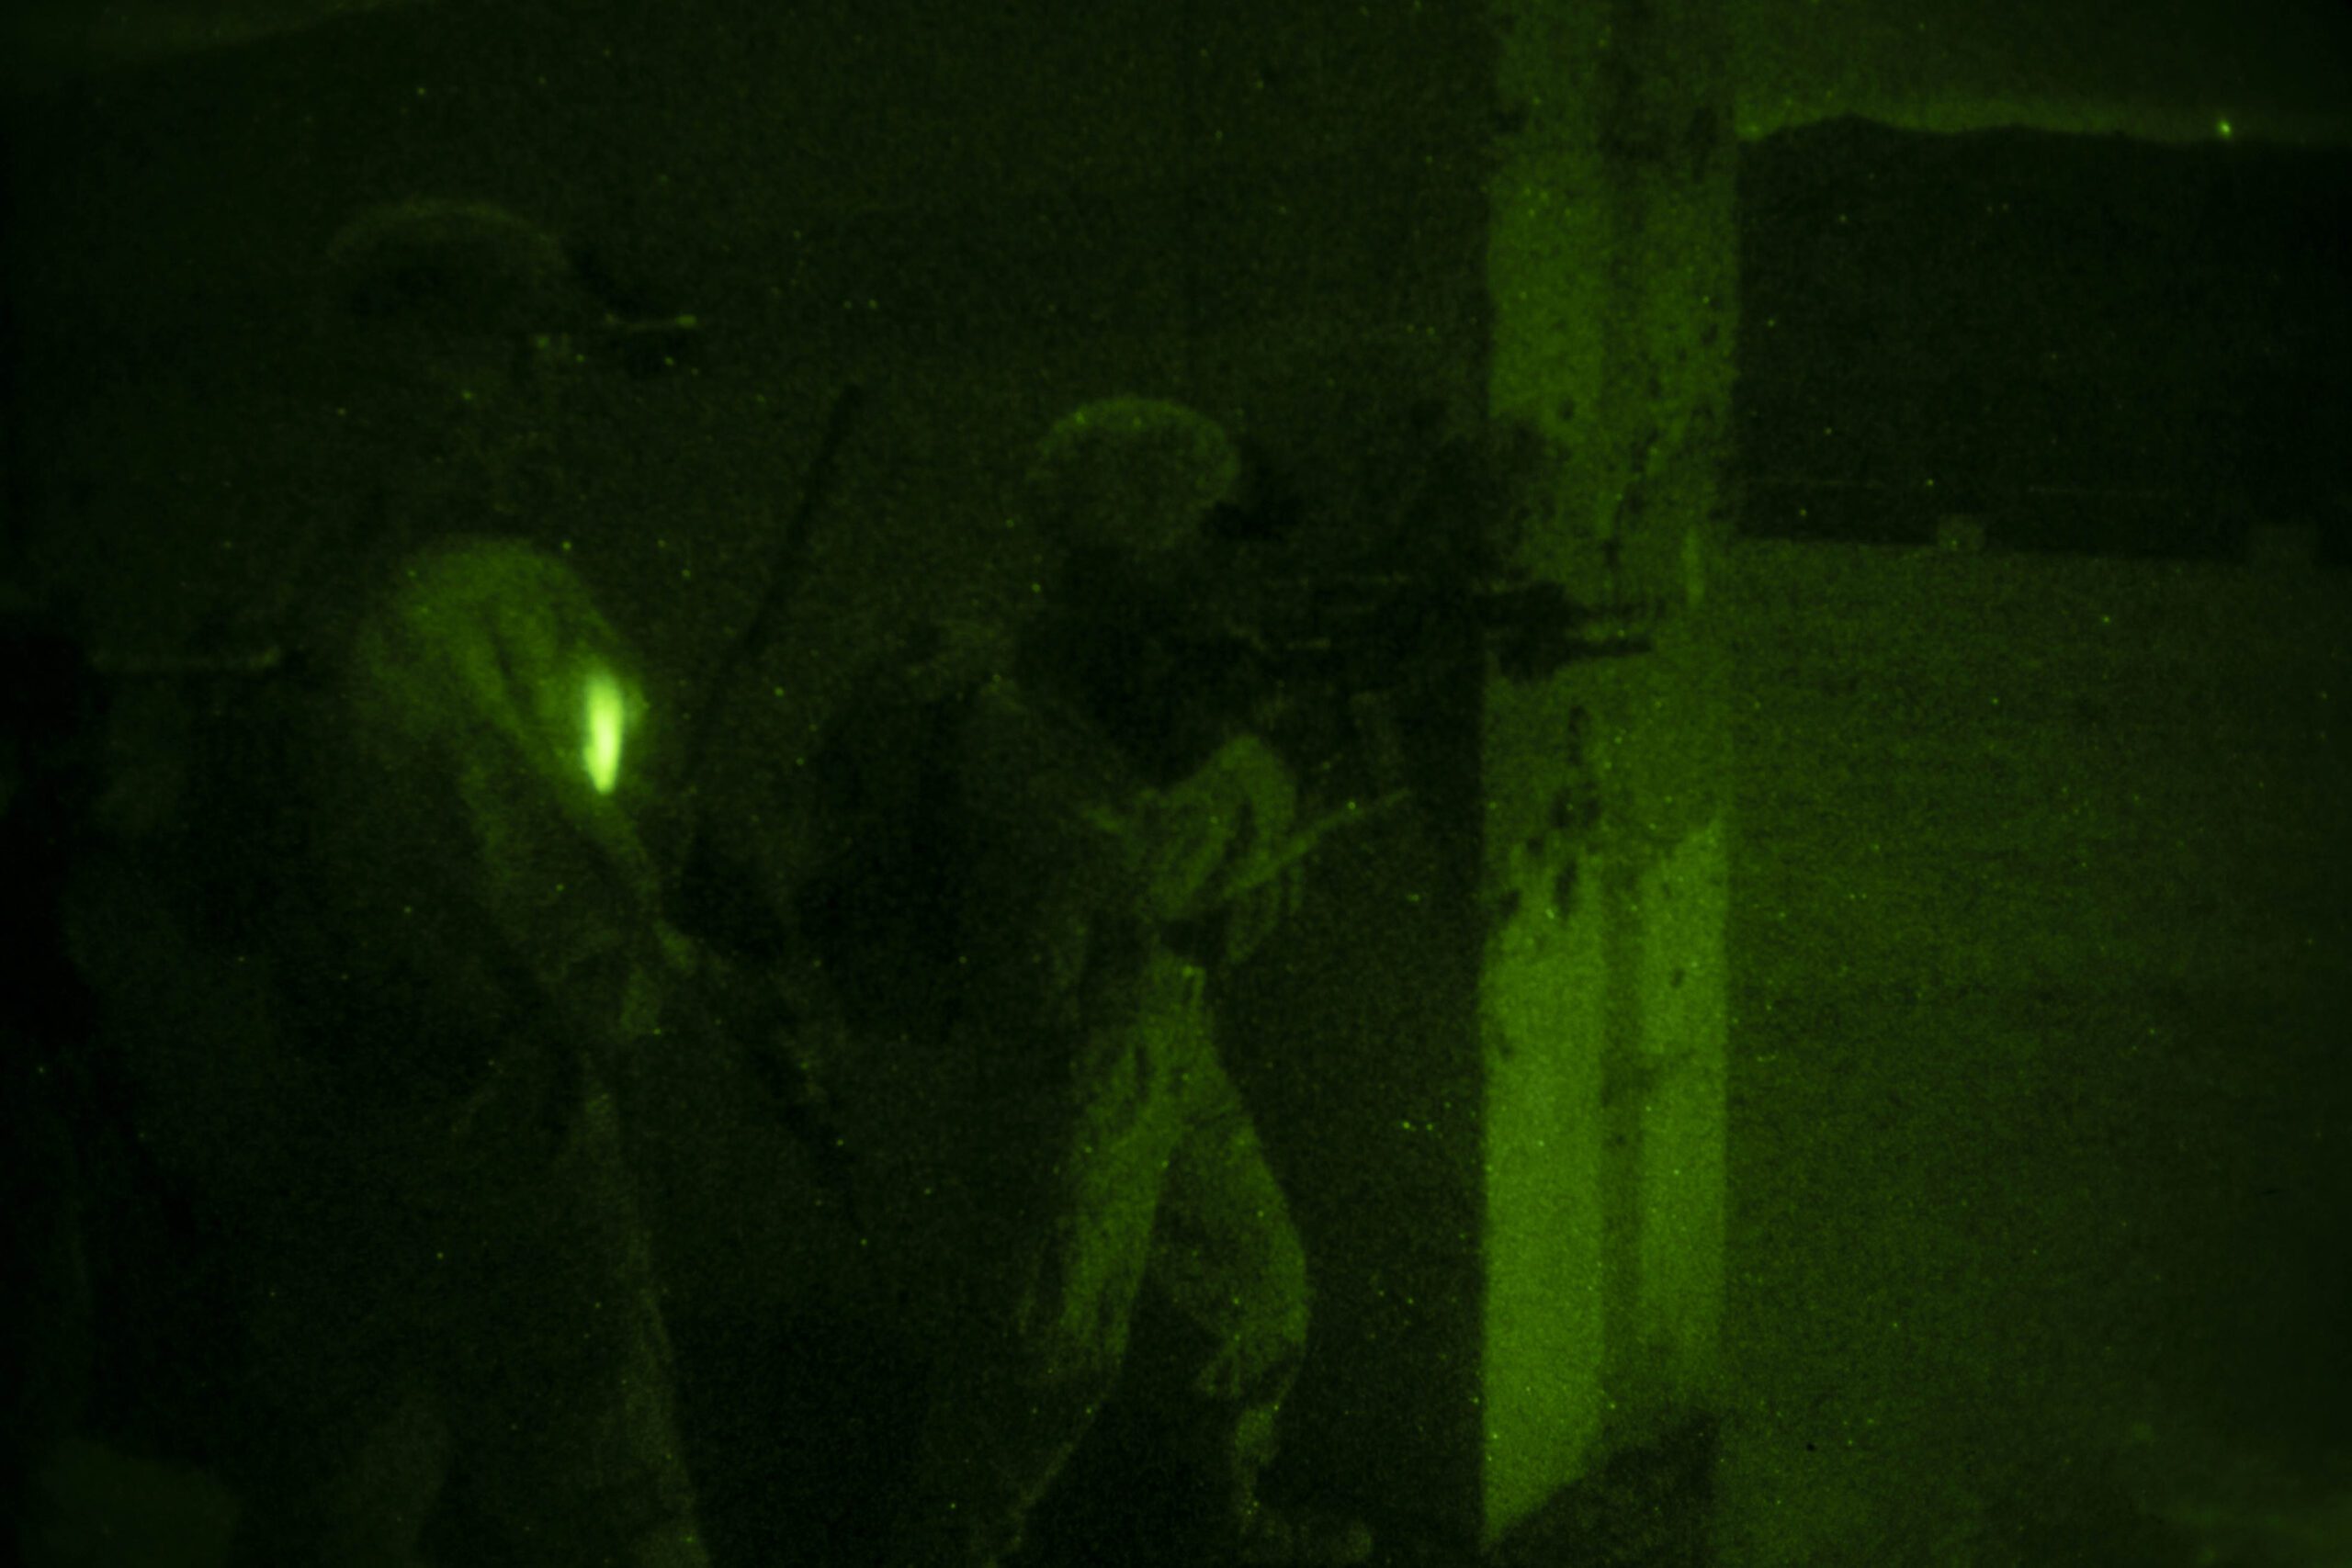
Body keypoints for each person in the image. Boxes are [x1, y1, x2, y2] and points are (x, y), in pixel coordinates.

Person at [791, 399, 1374, 1567]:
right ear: (1134, 542)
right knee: (1042, 1355)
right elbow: (1142, 867)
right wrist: (1288, 769)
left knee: (1253, 1286)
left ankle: (1222, 1523)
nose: (1212, 561)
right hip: (1072, 1049)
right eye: (1193, 533)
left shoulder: (1119, 665)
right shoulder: (1018, 704)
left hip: (1156, 1027)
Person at [202, 537, 712, 1564]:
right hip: (492, 1126)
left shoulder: (363, 643)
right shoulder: (495, 626)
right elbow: (576, 930)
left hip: (364, 1117)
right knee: (591, 1480)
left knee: (344, 1469)